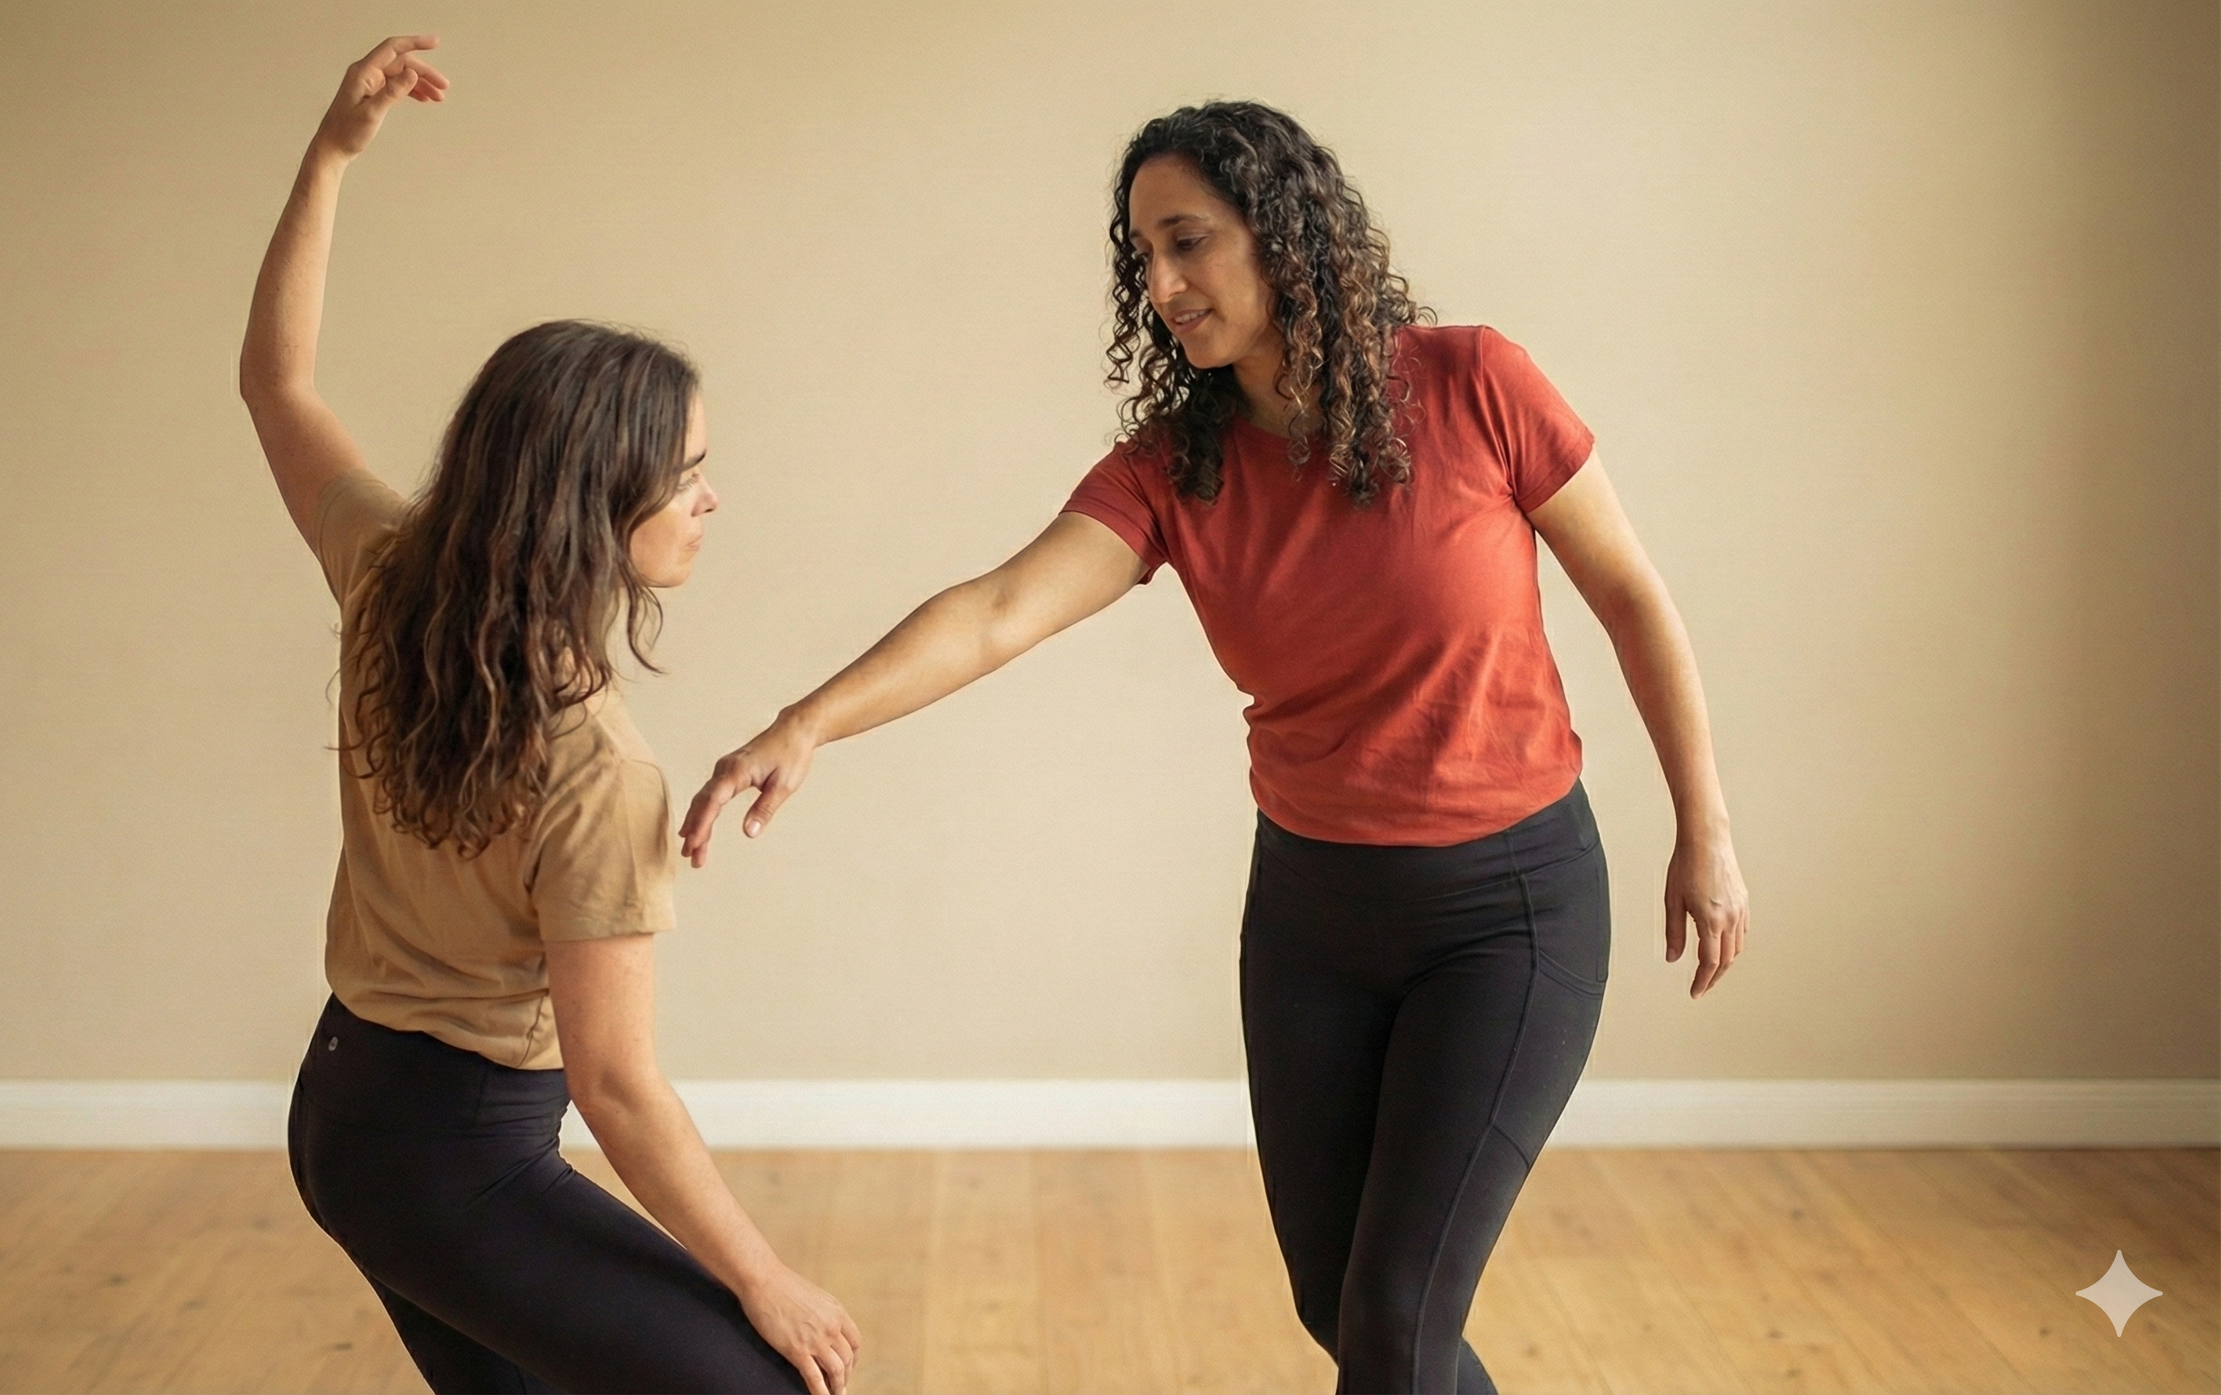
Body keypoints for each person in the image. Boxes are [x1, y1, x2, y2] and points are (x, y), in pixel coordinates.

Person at [679, 101, 1750, 1394]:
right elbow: (998, 609)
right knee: (1340, 1302)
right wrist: (807, 722)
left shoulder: (1474, 383)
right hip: (1312, 920)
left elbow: (1631, 593)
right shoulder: (1175, 466)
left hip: (1508, 912)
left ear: (1286, 236)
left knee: (1397, 1316)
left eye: (1188, 242)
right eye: (1144, 257)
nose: (1164, 283)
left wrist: (1708, 828)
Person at [241, 36, 860, 1395]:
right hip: (460, 1152)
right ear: (599, 502)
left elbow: (276, 386)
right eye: (688, 476)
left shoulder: (388, 575)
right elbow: (618, 1087)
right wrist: (765, 1278)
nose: (711, 500)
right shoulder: (596, 770)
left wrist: (332, 155)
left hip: (344, 1115)